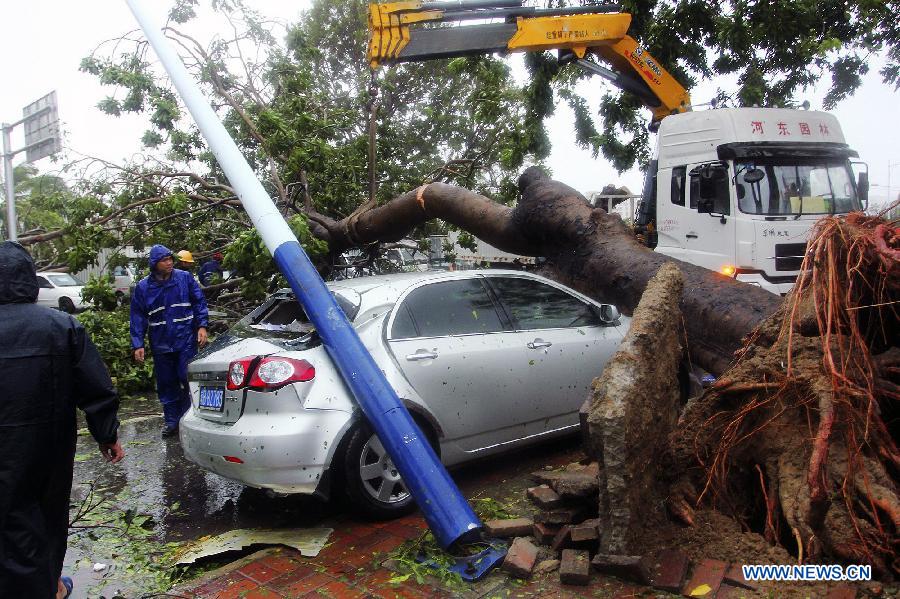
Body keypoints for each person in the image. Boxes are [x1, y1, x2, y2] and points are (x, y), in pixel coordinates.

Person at [0, 241, 124, 599]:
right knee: (48, 516)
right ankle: (48, 585)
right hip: (48, 447)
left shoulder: (62, 326)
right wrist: (107, 435)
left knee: (9, 519)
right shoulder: (61, 326)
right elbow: (96, 387)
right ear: (30, 279)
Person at [130, 245, 209, 437]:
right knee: (167, 383)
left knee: (186, 378)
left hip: (185, 340)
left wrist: (202, 326)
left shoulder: (184, 278)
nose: (169, 263)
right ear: (154, 264)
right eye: (165, 260)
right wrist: (137, 344)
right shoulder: (143, 288)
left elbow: (199, 302)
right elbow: (137, 316)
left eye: (170, 259)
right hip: (161, 342)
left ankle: (189, 417)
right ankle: (172, 421)